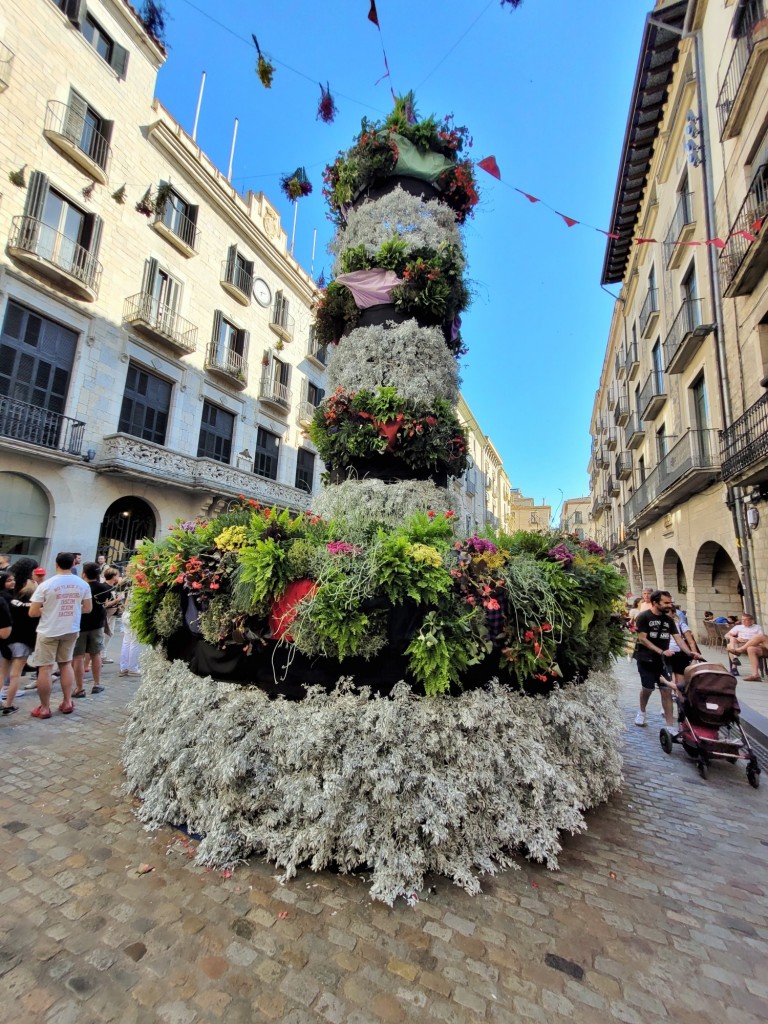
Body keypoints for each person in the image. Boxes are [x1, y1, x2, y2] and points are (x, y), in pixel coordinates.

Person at [27, 552, 91, 719]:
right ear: (73, 564)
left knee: (45, 668)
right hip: (71, 628)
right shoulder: (82, 584)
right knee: (65, 664)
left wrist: (47, 609)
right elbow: (87, 608)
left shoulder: (46, 585)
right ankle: (67, 701)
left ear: (56, 564)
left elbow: (33, 612)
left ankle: (45, 707)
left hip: (49, 629)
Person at [633, 589, 704, 732]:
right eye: (665, 603)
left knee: (666, 690)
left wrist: (691, 653)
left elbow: (678, 639)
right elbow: (642, 638)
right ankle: (642, 711)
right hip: (646, 658)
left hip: (664, 661)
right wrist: (660, 651)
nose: (669, 605)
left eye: (670, 602)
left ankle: (670, 725)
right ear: (655, 603)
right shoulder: (644, 617)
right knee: (648, 688)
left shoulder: (669, 620)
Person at [72, 562, 111, 698]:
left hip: (80, 624)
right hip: (97, 625)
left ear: (84, 573)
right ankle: (96, 684)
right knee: (96, 654)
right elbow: (106, 602)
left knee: (78, 656)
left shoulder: (80, 587)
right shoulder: (103, 587)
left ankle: (79, 687)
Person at [726, 613, 768, 681]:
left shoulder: (757, 627)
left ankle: (739, 650)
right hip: (741, 643)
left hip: (754, 644)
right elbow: (727, 635)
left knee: (758, 640)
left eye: (746, 620)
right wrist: (735, 638)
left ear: (752, 621)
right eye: (742, 620)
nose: (743, 621)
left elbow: (760, 639)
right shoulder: (738, 627)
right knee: (733, 643)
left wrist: (750, 641)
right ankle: (755, 675)